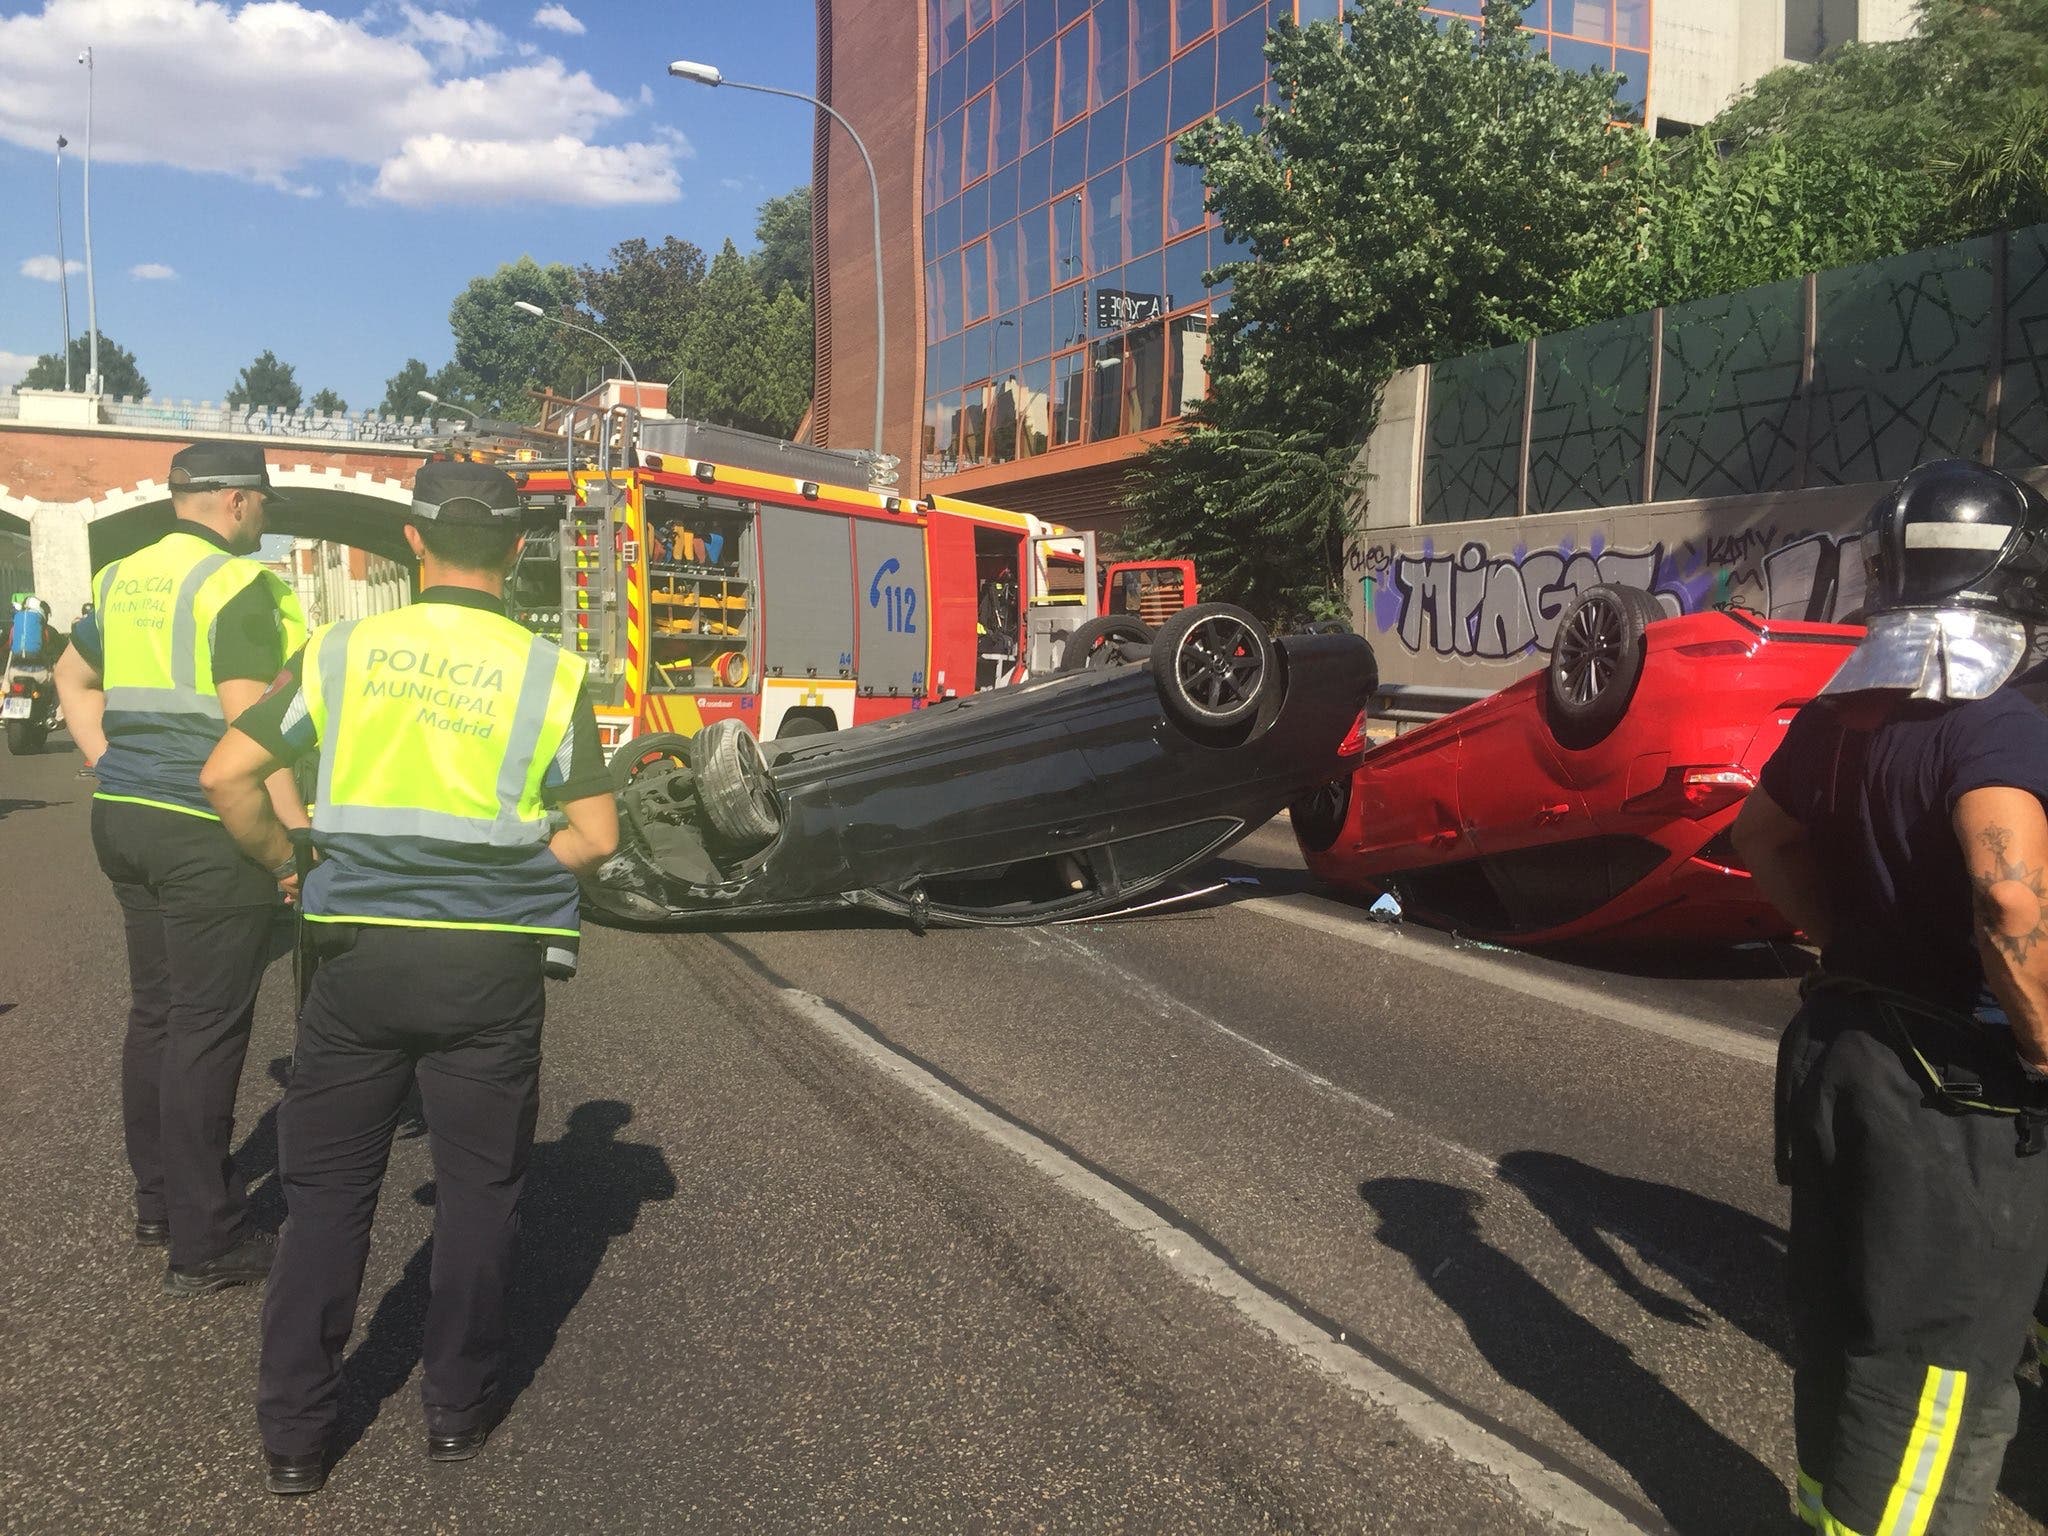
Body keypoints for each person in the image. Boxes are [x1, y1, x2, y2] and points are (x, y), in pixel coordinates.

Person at [199, 459, 618, 1496]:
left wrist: (290, 865)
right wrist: (510, 878)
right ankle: (456, 1411)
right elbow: (596, 836)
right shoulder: (551, 675)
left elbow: (228, 776)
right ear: (516, 551)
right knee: (479, 1194)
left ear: (414, 542)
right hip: (487, 970)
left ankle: (296, 1435)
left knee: (327, 1195)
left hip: (354, 960)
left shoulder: (339, 652)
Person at [1732, 459, 2048, 1536]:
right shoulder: (1998, 725)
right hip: (1954, 1092)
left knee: (1846, 1326)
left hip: (1841, 1052)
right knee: (1935, 1371)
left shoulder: (1837, 721)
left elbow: (1759, 835)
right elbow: (2008, 898)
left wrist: (1840, 936)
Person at [53, 442, 307, 1295]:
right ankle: (207, 1239)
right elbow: (250, 733)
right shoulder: (237, 586)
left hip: (124, 818)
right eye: (264, 503)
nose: (264, 518)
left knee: (157, 1014)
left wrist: (110, 763)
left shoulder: (124, 577)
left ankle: (158, 1202)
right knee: (206, 1026)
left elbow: (71, 678)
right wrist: (293, 843)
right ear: (236, 501)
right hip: (203, 829)